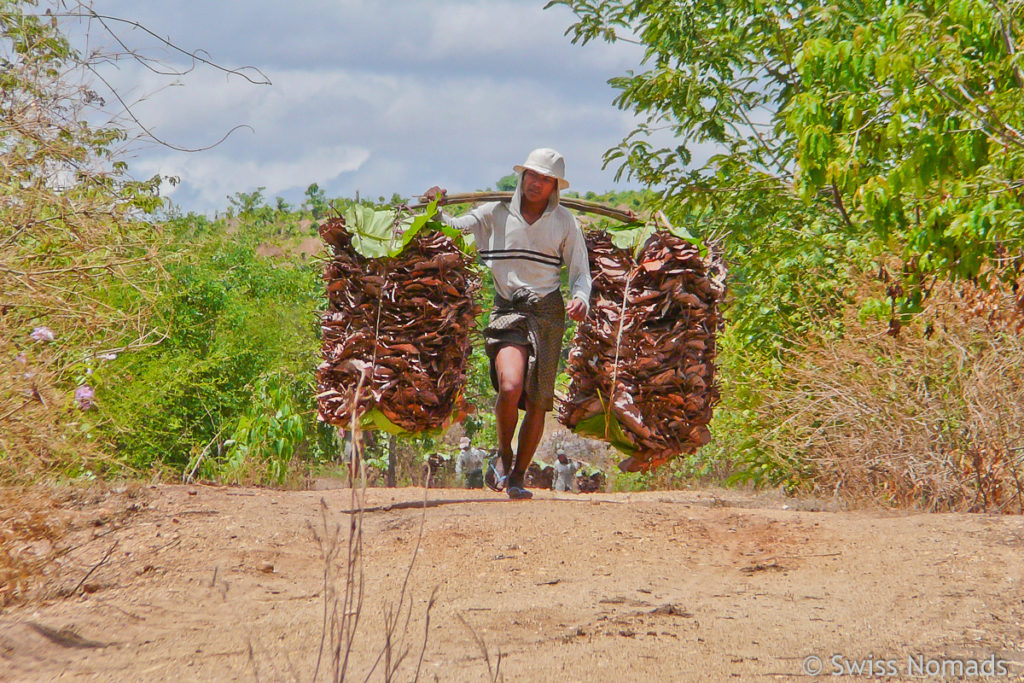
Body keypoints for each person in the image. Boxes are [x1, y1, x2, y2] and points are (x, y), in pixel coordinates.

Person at [424, 148, 591, 500]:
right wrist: (434, 208)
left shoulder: (565, 223)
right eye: (532, 175)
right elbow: (451, 231)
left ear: (554, 186)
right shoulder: (494, 214)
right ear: (522, 176)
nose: (536, 183)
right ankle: (504, 452)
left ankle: (517, 475)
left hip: (547, 313)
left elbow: (580, 274)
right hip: (507, 310)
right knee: (510, 384)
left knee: (537, 402)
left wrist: (582, 299)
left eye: (545, 179)